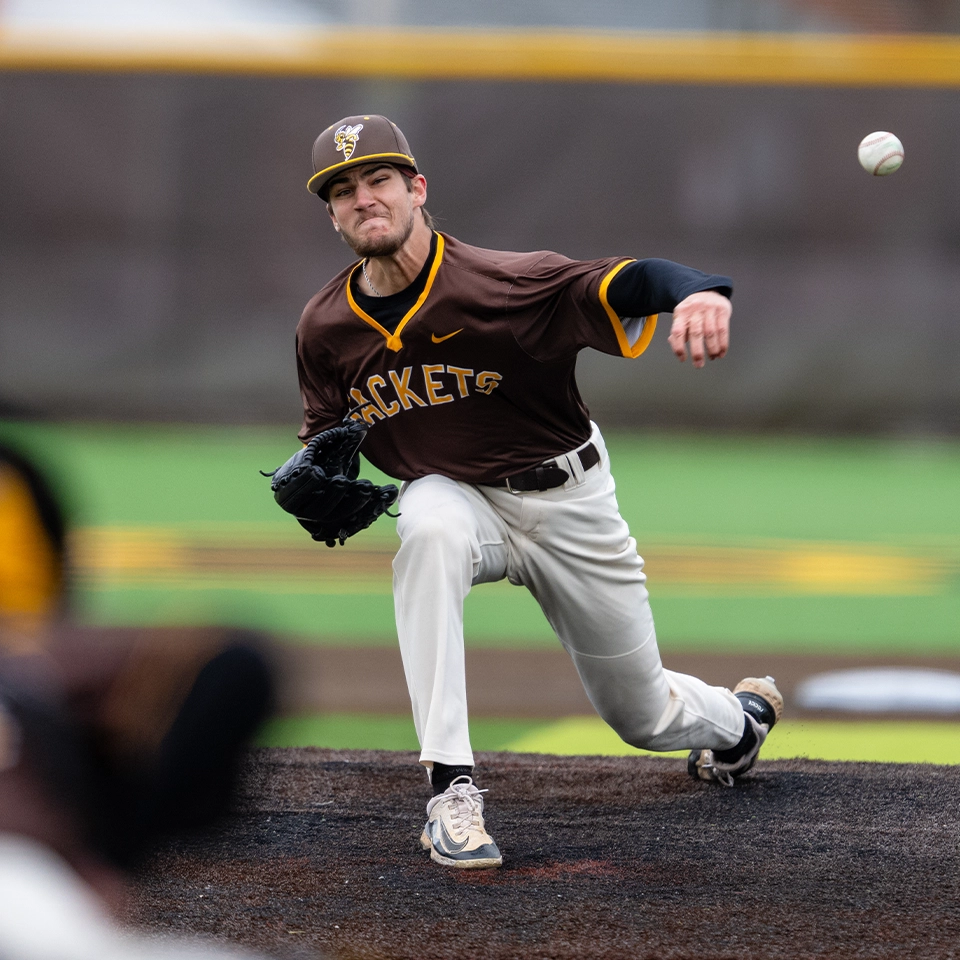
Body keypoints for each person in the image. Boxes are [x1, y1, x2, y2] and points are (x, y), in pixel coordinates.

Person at [294, 114, 783, 870]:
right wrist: (318, 481)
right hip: (460, 501)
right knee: (425, 523)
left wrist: (697, 292)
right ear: (331, 212)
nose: (364, 198)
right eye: (343, 189)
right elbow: (328, 440)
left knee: (643, 714)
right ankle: (450, 790)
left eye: (379, 179)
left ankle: (740, 723)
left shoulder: (505, 284)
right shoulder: (325, 329)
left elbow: (624, 278)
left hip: (569, 502)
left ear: (417, 189)